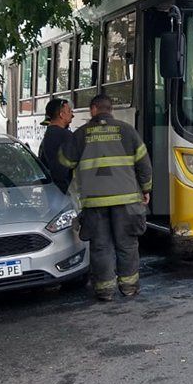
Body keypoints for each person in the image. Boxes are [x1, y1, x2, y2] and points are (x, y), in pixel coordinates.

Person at [58, 94, 153, 301]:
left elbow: (65, 161)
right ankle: (129, 287)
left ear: (93, 109)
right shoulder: (128, 131)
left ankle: (105, 291)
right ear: (111, 110)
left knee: (101, 247)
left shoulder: (81, 133)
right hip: (127, 200)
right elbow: (144, 164)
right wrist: (146, 189)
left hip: (95, 201)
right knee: (127, 244)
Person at [38, 98, 75, 194]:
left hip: (50, 188)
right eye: (69, 111)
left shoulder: (49, 133)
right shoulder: (65, 135)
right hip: (64, 188)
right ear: (61, 115)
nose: (72, 115)